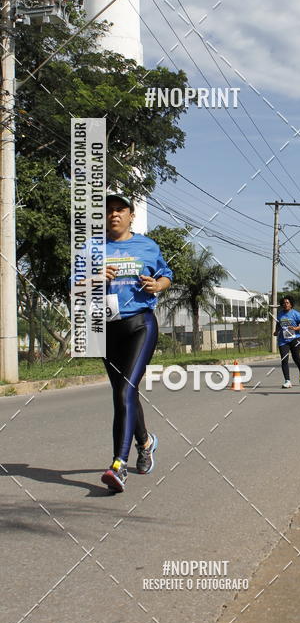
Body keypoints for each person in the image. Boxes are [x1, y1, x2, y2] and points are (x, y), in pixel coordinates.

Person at [100, 193, 173, 493]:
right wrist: (92, 277)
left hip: (140, 324)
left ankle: (119, 465)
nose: (114, 214)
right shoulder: (91, 248)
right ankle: (145, 442)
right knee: (123, 392)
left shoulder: (146, 245)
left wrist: (157, 285)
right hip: (104, 328)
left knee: (125, 391)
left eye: (120, 210)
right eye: (108, 211)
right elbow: (72, 286)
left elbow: (166, 274)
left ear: (131, 215)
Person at [274, 295, 300, 388]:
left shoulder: (296, 314)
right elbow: (278, 324)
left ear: (291, 304)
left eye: (287, 303)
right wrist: (276, 331)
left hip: (295, 338)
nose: (285, 304)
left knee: (296, 358)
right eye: (284, 303)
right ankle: (287, 381)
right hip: (283, 340)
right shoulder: (280, 314)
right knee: (284, 359)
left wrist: (296, 328)